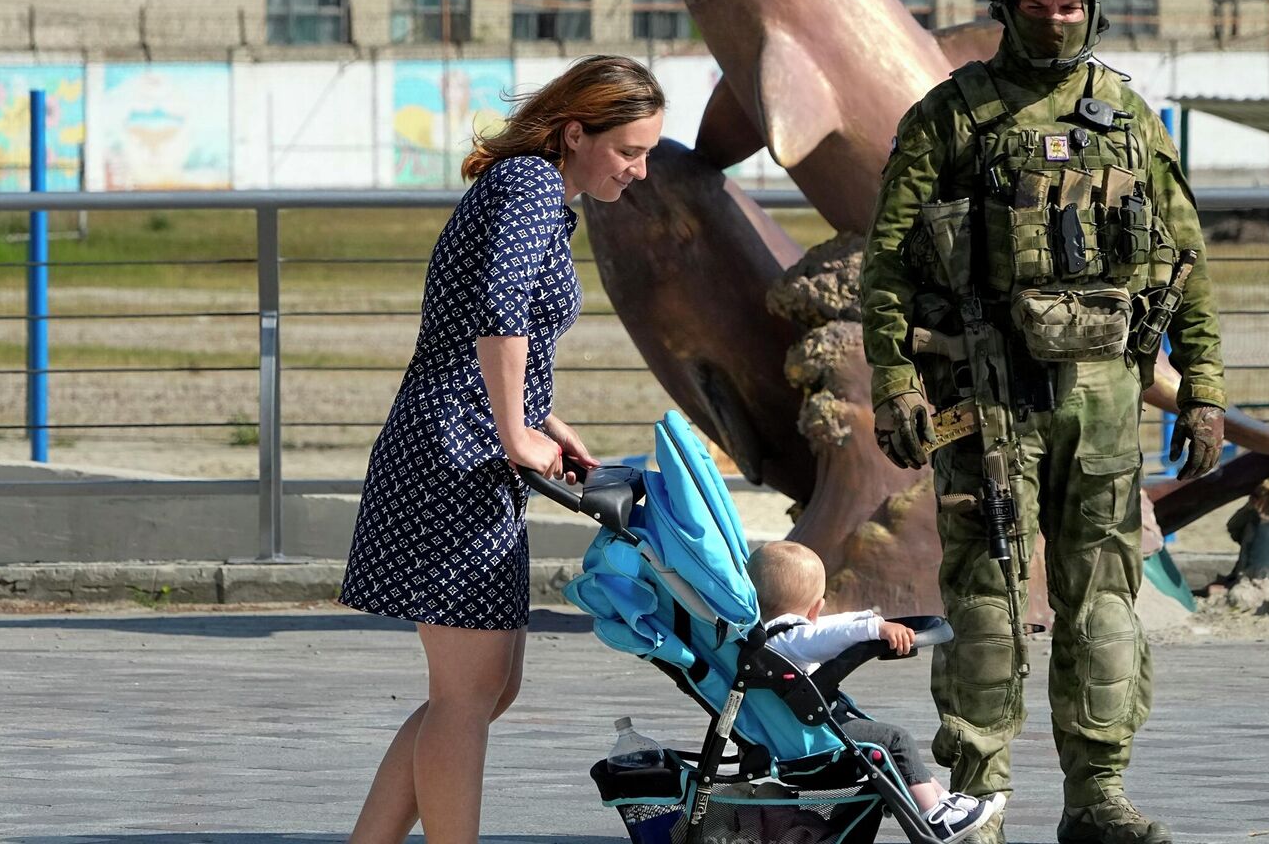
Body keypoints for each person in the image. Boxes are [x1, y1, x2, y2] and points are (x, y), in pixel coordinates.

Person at [858, 0, 1228, 844]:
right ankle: (978, 799)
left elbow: (1186, 258)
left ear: (1092, 6)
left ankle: (1096, 796)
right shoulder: (951, 116)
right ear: (1006, 8)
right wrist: (895, 377)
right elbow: (891, 262)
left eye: (1070, 4)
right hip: (981, 395)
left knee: (1103, 597)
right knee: (985, 595)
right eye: (1036, 5)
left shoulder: (1130, 116)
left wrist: (1208, 385)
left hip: (1103, 398)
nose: (1055, 21)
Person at [339, 55, 666, 844]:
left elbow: (487, 322)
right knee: (468, 691)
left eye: (648, 152)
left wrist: (543, 422)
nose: (641, 170)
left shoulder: (545, 198)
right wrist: (517, 430)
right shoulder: (526, 187)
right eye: (629, 150)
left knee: (488, 686)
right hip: (452, 454)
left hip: (463, 448)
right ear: (576, 132)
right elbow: (495, 312)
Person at [747, 541, 1006, 844]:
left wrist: (870, 620)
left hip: (791, 735)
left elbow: (827, 626)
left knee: (891, 747)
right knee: (895, 741)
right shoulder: (793, 637)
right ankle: (935, 814)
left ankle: (945, 803)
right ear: (817, 606)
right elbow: (824, 635)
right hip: (812, 742)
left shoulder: (764, 636)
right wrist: (875, 631)